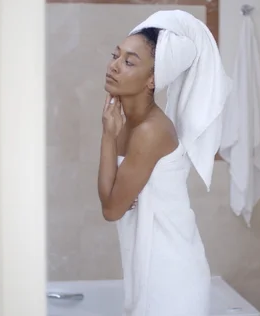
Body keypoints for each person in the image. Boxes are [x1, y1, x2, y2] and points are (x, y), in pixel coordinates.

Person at [98, 10, 231, 316]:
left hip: (171, 277)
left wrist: (107, 137)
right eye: (115, 55)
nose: (114, 66)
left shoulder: (150, 131)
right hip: (147, 267)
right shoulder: (125, 120)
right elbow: (109, 197)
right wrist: (110, 134)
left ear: (153, 79)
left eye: (129, 62)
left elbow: (111, 208)